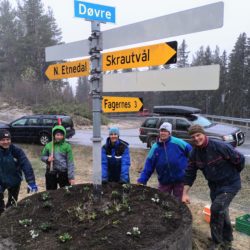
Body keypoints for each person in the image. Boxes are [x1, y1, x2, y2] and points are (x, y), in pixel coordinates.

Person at [182, 125, 245, 250]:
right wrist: (184, 193)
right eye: (193, 137)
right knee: (222, 211)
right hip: (214, 187)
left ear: (203, 134)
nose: (196, 138)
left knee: (216, 209)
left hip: (230, 184)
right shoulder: (194, 154)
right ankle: (227, 240)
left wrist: (232, 175)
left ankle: (216, 243)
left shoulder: (220, 146)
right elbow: (190, 174)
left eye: (198, 135)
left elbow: (240, 160)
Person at [137, 122, 192, 200]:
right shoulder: (155, 147)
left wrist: (190, 166)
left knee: (179, 203)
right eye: (161, 131)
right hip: (164, 181)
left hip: (180, 180)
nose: (163, 133)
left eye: (165, 131)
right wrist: (142, 180)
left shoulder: (179, 142)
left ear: (169, 133)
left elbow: (191, 152)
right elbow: (148, 166)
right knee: (162, 202)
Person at [0, 129, 37, 215]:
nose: (6, 142)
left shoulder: (16, 150)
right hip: (0, 180)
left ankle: (8, 216)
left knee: (12, 203)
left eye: (8, 139)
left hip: (14, 180)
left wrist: (31, 181)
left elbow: (26, 164)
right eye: (2, 140)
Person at [41, 125, 75, 190]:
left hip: (63, 173)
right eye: (57, 135)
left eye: (61, 135)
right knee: (51, 192)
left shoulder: (67, 146)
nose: (59, 137)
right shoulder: (49, 145)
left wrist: (71, 177)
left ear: (64, 136)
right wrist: (47, 159)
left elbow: (70, 162)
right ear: (54, 135)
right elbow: (42, 157)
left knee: (65, 192)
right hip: (51, 172)